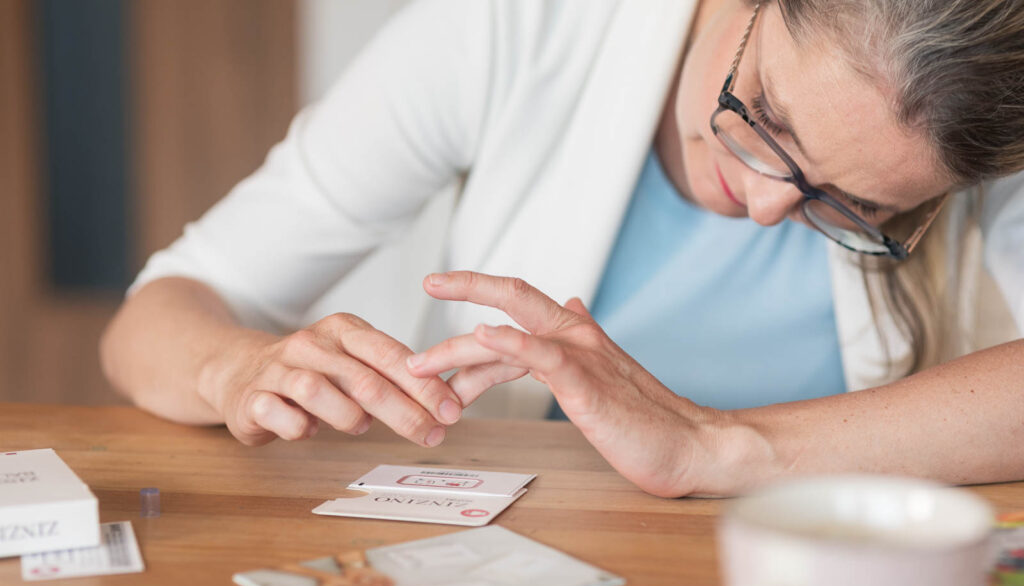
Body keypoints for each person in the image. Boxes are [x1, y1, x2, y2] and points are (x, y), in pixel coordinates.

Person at [101, 0, 1024, 498]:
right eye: (765, 115)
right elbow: (161, 311)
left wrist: (724, 447)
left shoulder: (992, 113)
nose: (770, 204)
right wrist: (235, 368)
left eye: (856, 201)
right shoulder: (513, 26)